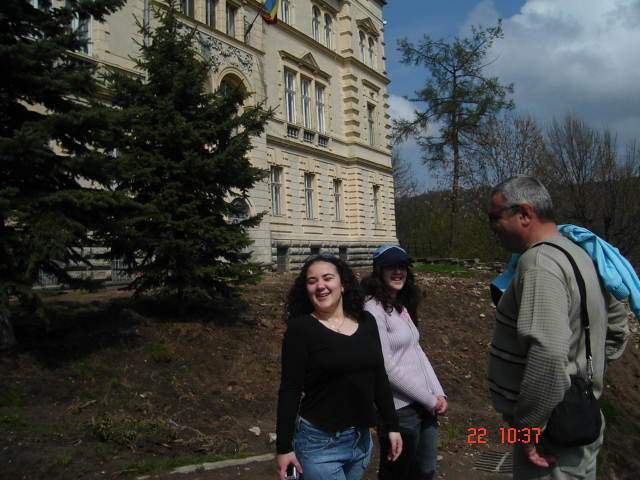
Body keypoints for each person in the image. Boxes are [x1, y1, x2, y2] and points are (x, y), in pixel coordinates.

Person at [487, 176, 630, 479]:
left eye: (495, 217)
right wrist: (584, 373)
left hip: (551, 433)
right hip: (581, 415)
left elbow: (548, 352)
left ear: (525, 213)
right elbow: (618, 327)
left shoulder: (539, 263)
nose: (492, 228)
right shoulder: (582, 254)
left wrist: (529, 429)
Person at [275, 253, 403, 480]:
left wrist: (392, 426)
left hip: (361, 442)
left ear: (342, 284)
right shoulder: (301, 330)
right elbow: (290, 390)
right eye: (312, 281)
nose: (320, 286)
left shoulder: (366, 322)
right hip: (319, 444)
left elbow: (378, 377)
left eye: (327, 278)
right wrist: (284, 447)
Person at [361, 245, 447, 480]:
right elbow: (386, 368)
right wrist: (429, 399)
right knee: (397, 475)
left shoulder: (400, 306)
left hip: (425, 405)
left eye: (402, 267)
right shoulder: (372, 309)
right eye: (391, 267)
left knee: (425, 471)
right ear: (378, 270)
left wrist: (438, 393)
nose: (398, 272)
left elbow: (416, 351)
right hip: (400, 411)